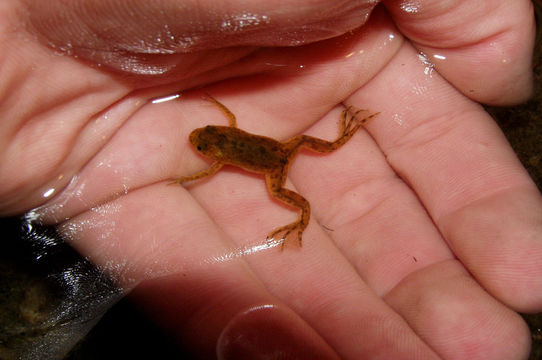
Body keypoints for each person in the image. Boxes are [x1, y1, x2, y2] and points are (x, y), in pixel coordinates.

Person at [1, 0, 540, 358]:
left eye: (207, 133)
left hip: (274, 159)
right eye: (208, 133)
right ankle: (332, 159)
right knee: (309, 155)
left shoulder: (218, 154)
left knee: (292, 193)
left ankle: (306, 209)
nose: (207, 137)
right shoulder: (224, 139)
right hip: (277, 151)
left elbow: (211, 156)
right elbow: (221, 137)